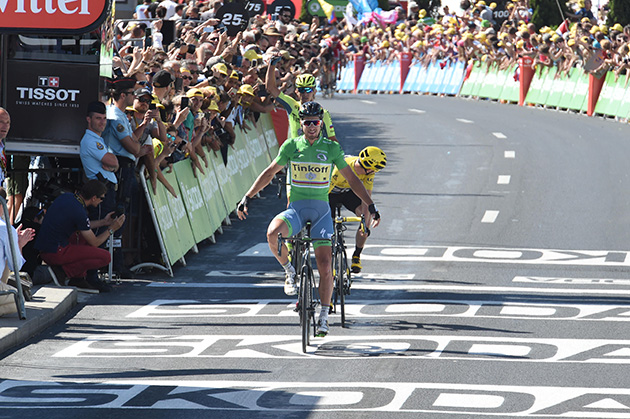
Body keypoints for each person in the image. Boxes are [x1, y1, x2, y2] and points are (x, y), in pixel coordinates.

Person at [236, 102, 381, 337]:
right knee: (272, 234)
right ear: (301, 124)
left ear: (321, 124)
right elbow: (270, 171)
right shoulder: (292, 146)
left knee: (325, 266)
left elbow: (353, 180)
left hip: (322, 212)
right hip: (296, 209)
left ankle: (324, 316)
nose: (312, 126)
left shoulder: (331, 148)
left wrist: (371, 206)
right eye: (307, 122)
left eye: (316, 122)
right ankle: (289, 271)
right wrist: (247, 196)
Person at [34, 180, 125, 293]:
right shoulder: (79, 211)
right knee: (105, 257)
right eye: (101, 198)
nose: (102, 201)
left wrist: (104, 222)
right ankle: (62, 272)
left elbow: (83, 225)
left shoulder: (68, 198)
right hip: (56, 252)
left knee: (82, 236)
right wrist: (112, 229)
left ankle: (78, 279)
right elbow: (95, 242)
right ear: (93, 198)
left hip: (47, 248)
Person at [328, 147, 387, 274]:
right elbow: (322, 195)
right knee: (327, 222)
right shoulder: (339, 169)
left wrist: (367, 220)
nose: (375, 172)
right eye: (375, 169)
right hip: (329, 193)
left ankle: (356, 255)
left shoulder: (369, 172)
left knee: (365, 219)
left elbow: (367, 197)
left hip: (349, 193)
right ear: (367, 166)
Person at [265, 64, 337, 142]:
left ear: (315, 92)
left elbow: (332, 139)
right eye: (301, 90)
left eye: (308, 90)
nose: (305, 94)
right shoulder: (292, 105)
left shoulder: (323, 113)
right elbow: (270, 88)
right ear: (296, 91)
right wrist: (272, 65)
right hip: (296, 151)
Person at [80, 101, 119, 222]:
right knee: (102, 229)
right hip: (100, 191)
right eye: (98, 118)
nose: (102, 122)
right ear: (88, 119)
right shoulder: (91, 141)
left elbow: (114, 166)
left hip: (106, 190)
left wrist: (113, 167)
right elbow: (113, 162)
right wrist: (114, 165)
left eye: (104, 118)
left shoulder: (98, 139)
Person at [0, 187, 34, 315]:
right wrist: (19, 244)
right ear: (4, 203)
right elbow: (15, 265)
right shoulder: (5, 228)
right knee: (18, 299)